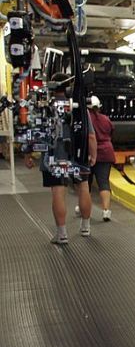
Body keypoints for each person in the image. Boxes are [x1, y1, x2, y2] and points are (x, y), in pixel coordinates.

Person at [24, 73, 97, 244]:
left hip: (53, 156)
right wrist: (93, 154)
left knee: (58, 191)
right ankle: (86, 227)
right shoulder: (79, 107)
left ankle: (62, 234)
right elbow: (91, 135)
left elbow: (34, 134)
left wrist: (28, 154)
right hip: (78, 155)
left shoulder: (44, 108)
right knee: (83, 187)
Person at [87, 95, 114, 221]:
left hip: (90, 153)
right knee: (104, 182)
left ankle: (84, 207)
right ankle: (106, 211)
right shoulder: (105, 119)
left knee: (85, 184)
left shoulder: (86, 119)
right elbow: (111, 132)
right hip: (106, 152)